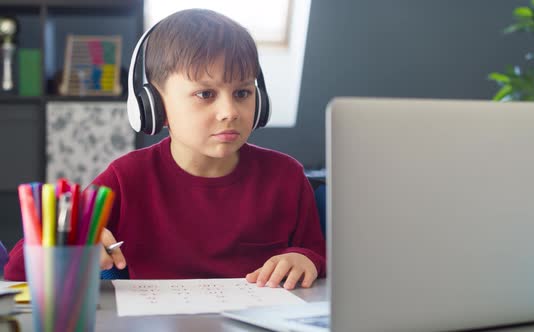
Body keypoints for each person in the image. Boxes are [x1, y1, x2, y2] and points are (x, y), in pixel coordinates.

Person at [4, 9, 326, 290]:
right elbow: (16, 271)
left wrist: (304, 259)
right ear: (154, 105)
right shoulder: (126, 178)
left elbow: (318, 256)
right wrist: (63, 242)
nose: (229, 111)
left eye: (242, 92)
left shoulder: (287, 177)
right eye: (205, 94)